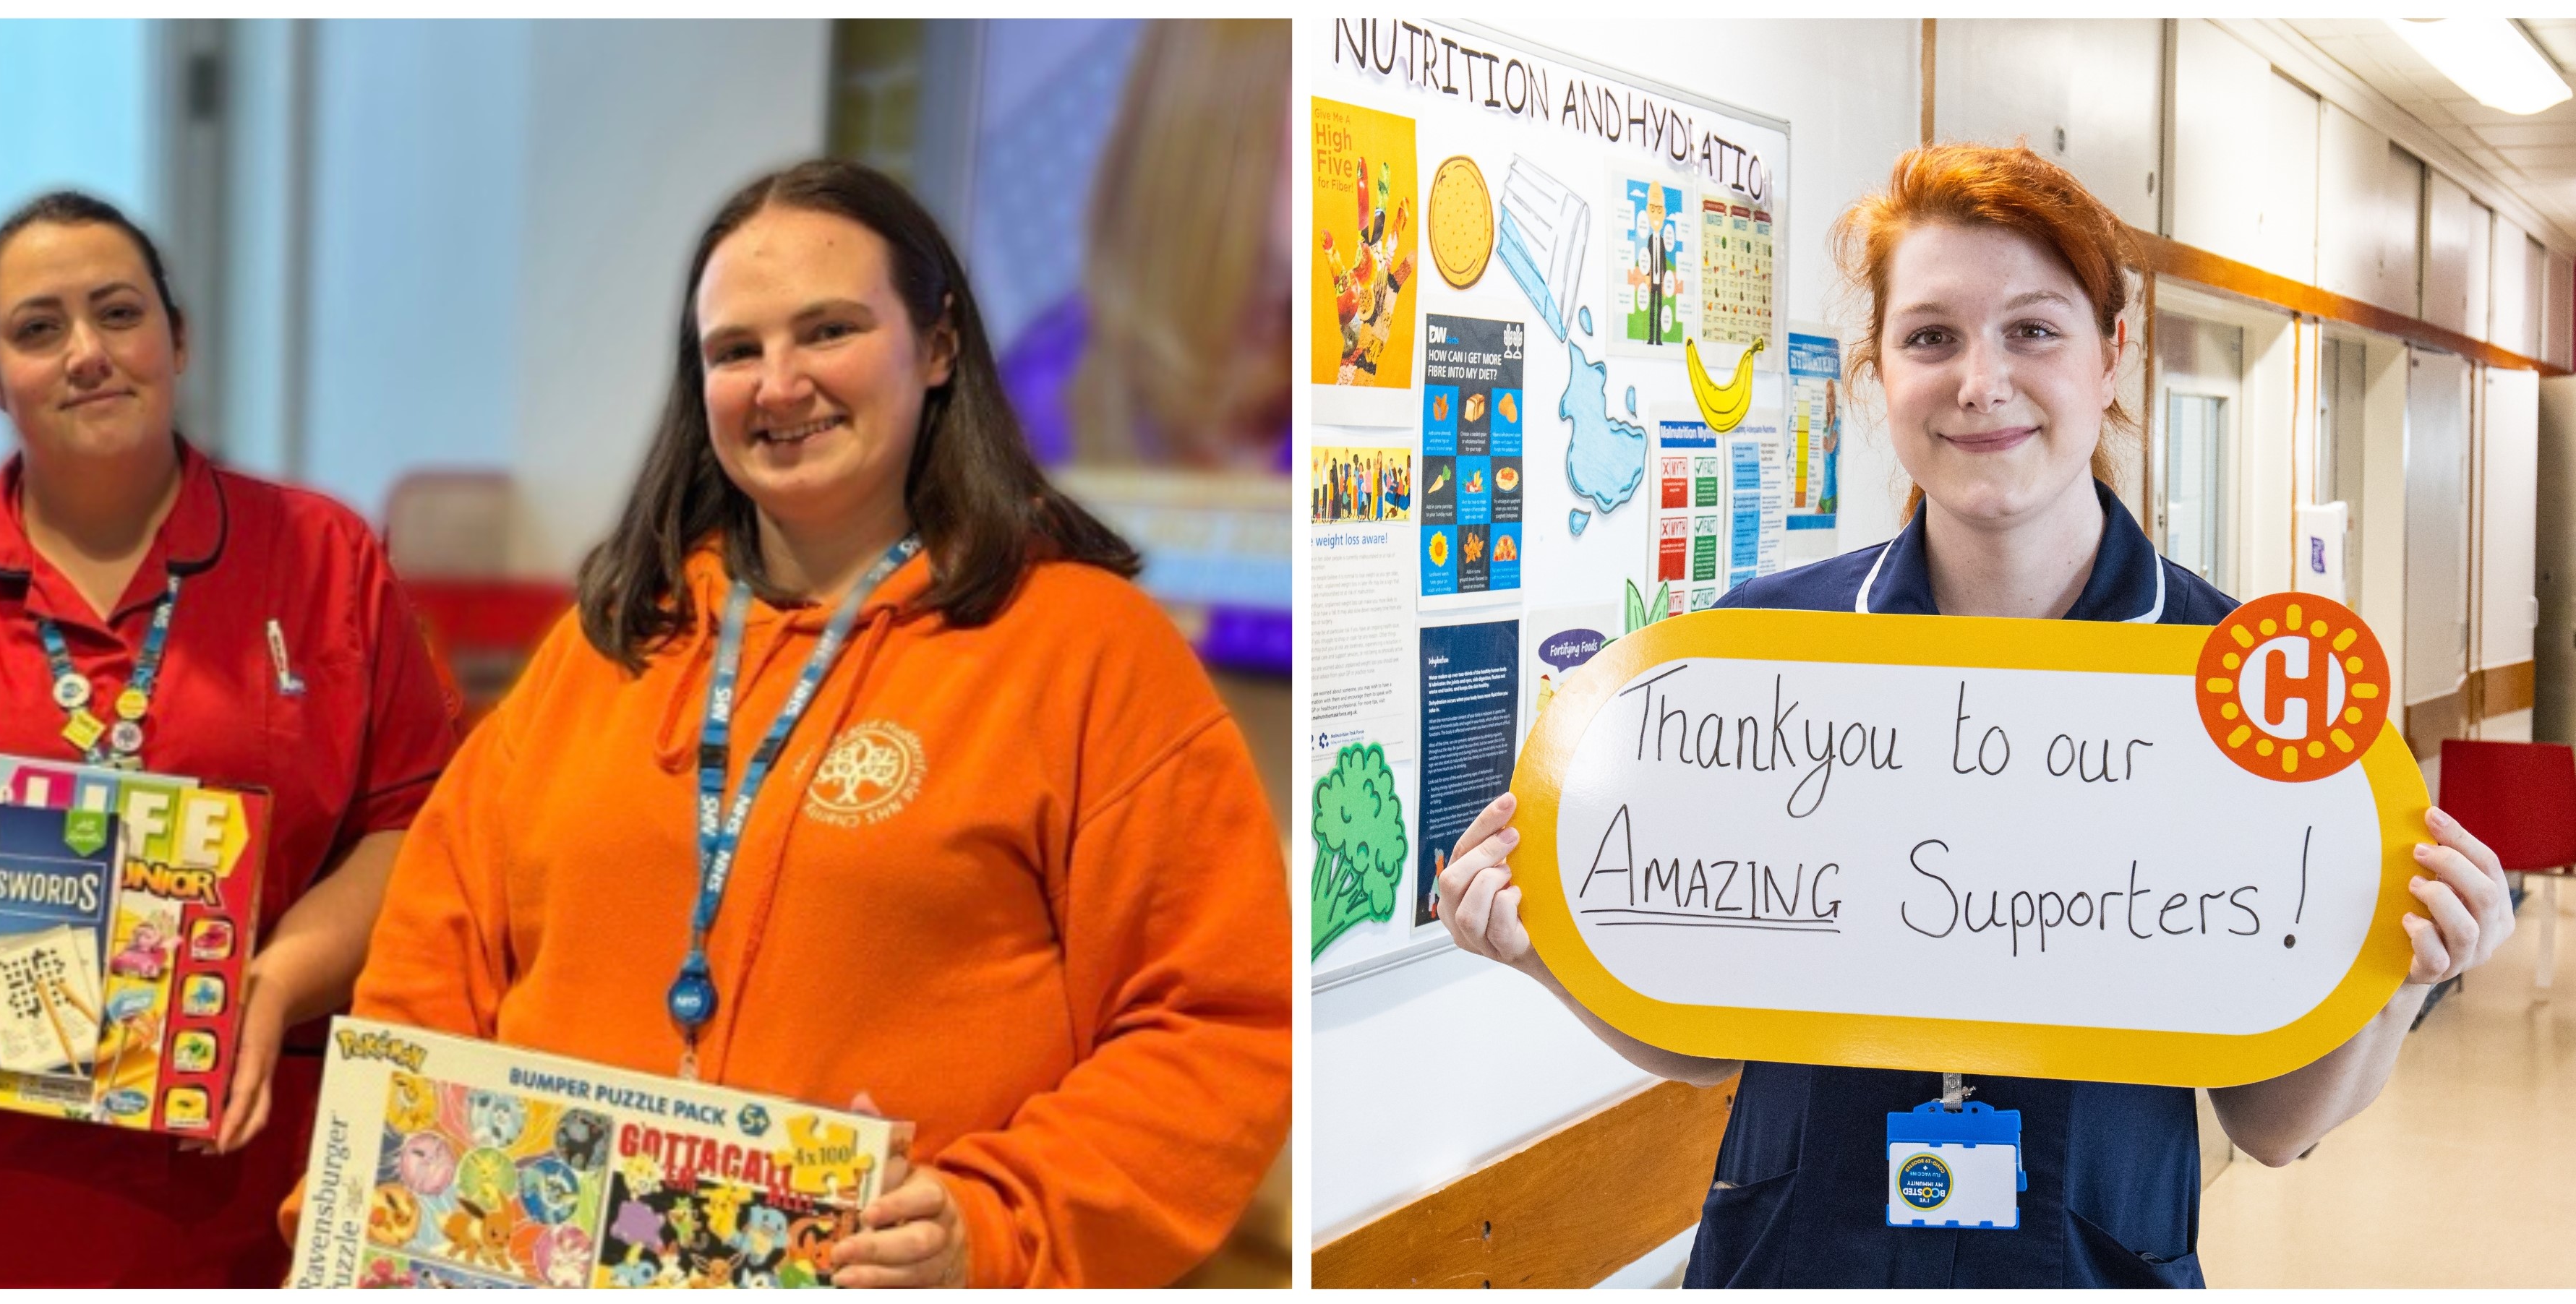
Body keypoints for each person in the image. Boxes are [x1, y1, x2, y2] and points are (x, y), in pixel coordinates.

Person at [1428, 143, 2521, 1288]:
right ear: (1879, 370)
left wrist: (2397, 989)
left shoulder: (2241, 687)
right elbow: (1702, 1042)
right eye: (1931, 336)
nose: (1979, 382)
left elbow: (2271, 1125)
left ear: (2114, 356)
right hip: (1805, 1258)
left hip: (2089, 1260)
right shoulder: (1754, 662)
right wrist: (1551, 955)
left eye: (2034, 331)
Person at [348, 159, 1289, 1288]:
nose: (778, 383)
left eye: (828, 330)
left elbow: (1218, 1025)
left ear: (938, 348)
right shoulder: (608, 642)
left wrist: (993, 1224)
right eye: (734, 351)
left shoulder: (1088, 652)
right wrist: (364, 1203)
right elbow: (430, 953)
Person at [0, 192, 461, 1287]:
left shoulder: (324, 558)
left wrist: (272, 983)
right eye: (38, 328)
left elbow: (408, 829)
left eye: (118, 313)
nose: (86, 353)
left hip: (233, 1161)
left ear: (176, 339)